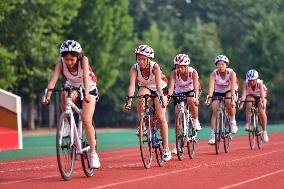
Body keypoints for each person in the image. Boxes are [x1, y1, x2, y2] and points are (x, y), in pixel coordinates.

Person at [42, 40, 100, 168]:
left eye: (72, 59)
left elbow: (85, 77)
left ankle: (93, 154)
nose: (69, 62)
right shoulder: (60, 62)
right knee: (64, 93)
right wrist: (48, 95)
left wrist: (85, 94)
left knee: (86, 119)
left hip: (88, 86)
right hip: (72, 87)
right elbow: (53, 79)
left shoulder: (83, 60)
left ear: (77, 57)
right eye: (66, 59)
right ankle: (67, 123)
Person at [124, 44, 171, 161]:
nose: (140, 61)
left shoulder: (155, 67)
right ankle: (143, 125)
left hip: (160, 89)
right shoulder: (134, 68)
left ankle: (166, 148)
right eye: (138, 59)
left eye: (143, 59)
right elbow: (132, 86)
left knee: (161, 116)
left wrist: (161, 98)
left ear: (149, 59)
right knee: (140, 96)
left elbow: (159, 87)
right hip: (146, 87)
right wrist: (129, 100)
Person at [167, 53, 202, 154]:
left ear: (186, 66)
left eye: (181, 66)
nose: (179, 69)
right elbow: (171, 88)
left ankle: (195, 121)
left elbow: (196, 87)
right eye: (177, 66)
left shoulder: (193, 72)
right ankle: (178, 143)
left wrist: (196, 97)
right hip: (179, 92)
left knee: (191, 100)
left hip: (191, 90)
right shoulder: (174, 73)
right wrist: (168, 97)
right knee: (178, 113)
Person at [205, 55, 238, 145]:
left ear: (226, 65)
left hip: (229, 90)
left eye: (222, 64)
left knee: (228, 101)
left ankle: (232, 120)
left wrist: (233, 98)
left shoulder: (231, 73)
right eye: (218, 64)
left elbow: (233, 87)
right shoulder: (214, 74)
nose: (220, 66)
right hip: (218, 91)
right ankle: (213, 134)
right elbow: (211, 88)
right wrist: (209, 98)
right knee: (215, 108)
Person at [238, 69, 269, 142]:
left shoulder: (260, 83)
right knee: (249, 102)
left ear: (256, 79)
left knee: (261, 111)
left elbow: (262, 96)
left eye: (253, 80)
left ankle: (264, 132)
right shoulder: (245, 83)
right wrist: (241, 104)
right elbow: (244, 95)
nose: (251, 82)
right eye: (249, 80)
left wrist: (262, 103)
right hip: (251, 94)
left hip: (261, 94)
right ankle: (248, 124)